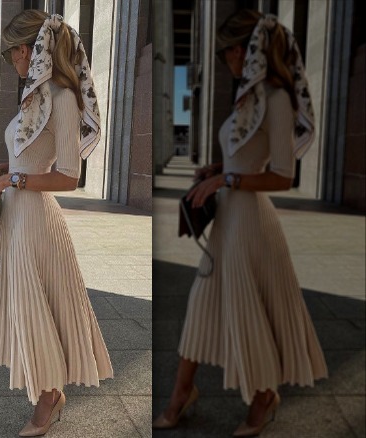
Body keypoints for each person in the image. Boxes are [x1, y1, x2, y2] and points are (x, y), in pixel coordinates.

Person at [0, 10, 113, 437]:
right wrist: (1, 169)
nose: (11, 62)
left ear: (25, 50)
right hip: (13, 220)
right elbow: (26, 158)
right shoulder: (33, 98)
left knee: (34, 313)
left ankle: (49, 398)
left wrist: (12, 179)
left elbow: (69, 176)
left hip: (36, 226)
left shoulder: (64, 98)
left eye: (10, 53)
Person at [153, 10, 327, 437]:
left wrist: (226, 178)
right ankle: (181, 395)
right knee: (201, 305)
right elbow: (241, 159)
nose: (228, 58)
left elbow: (283, 175)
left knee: (248, 312)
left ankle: (264, 397)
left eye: (231, 49)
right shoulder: (248, 98)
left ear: (246, 49)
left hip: (251, 225)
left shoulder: (277, 98)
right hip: (229, 220)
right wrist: (216, 169)